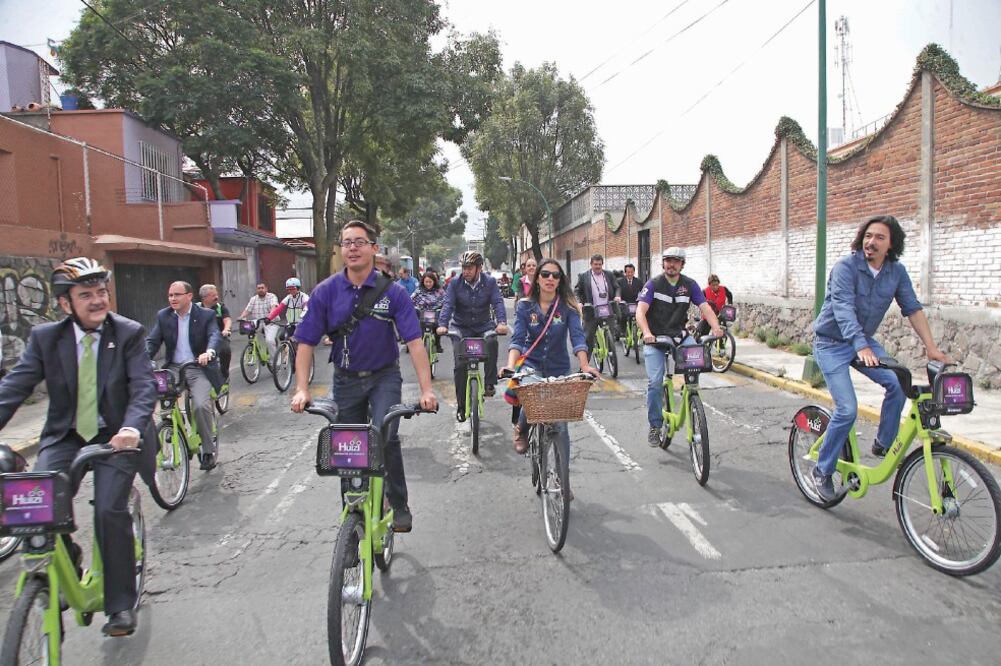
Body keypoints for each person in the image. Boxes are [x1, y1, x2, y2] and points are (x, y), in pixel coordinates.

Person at [0, 258, 157, 636]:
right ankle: (66, 554)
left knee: (108, 509)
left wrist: (131, 428)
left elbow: (142, 388)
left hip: (116, 438)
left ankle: (119, 604)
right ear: (65, 304)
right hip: (66, 436)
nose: (97, 300)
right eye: (85, 295)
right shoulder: (45, 338)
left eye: (101, 292)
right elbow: (15, 387)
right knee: (35, 503)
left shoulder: (129, 333)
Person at [290, 220, 437, 533]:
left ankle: (398, 503)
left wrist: (427, 391)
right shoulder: (325, 292)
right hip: (345, 380)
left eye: (359, 241)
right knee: (346, 445)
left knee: (384, 434)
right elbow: (305, 343)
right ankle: (353, 512)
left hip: (384, 377)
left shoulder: (393, 293)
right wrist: (301, 389)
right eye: (346, 243)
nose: (352, 248)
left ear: (373, 248)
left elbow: (414, 343)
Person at [810, 215, 949, 501]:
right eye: (868, 235)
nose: (871, 242)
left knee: (898, 384)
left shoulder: (896, 272)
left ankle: (884, 445)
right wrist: (861, 345)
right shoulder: (846, 267)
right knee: (847, 409)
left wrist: (932, 348)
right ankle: (821, 470)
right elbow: (843, 309)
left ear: (891, 244)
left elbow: (912, 308)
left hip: (863, 342)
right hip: (831, 343)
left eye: (879, 238)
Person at [505, 259, 598, 470]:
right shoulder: (525, 306)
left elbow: (577, 337)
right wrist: (511, 366)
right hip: (531, 364)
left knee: (561, 428)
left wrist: (584, 366)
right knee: (532, 397)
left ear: (560, 281)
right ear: (537, 277)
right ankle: (521, 428)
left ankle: (563, 479)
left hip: (560, 367)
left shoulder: (568, 307)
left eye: (555, 276)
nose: (550, 279)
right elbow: (517, 340)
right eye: (545, 274)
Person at [636, 247, 723, 447]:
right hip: (656, 339)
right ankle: (655, 425)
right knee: (655, 382)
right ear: (663, 263)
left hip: (678, 336)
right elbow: (640, 311)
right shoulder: (653, 284)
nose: (671, 265)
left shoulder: (689, 285)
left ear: (682, 264)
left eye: (676, 261)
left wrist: (716, 328)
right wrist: (647, 333)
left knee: (697, 358)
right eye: (668, 261)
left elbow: (705, 308)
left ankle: (691, 391)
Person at [146, 281, 223, 470]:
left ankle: (207, 450)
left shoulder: (206, 315)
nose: (173, 298)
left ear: (189, 296)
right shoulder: (163, 316)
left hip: (198, 367)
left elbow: (215, 335)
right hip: (173, 368)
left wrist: (209, 352)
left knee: (200, 406)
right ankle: (175, 433)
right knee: (156, 401)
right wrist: (141, 358)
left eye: (177, 295)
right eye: (170, 295)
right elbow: (152, 341)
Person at [437, 251, 508, 421]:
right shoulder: (455, 283)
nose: (466, 271)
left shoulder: (490, 282)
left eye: (469, 268)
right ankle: (461, 406)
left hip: (483, 325)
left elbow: (497, 302)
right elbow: (447, 304)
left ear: (479, 268)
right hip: (460, 327)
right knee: (460, 365)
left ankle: (490, 383)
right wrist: (442, 324)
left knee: (491, 340)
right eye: (464, 268)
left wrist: (502, 322)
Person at [574, 254, 620, 352]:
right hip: (591, 310)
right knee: (588, 339)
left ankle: (611, 358)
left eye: (599, 264)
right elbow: (577, 291)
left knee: (610, 336)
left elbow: (617, 287)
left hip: (607, 310)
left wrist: (617, 296)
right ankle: (584, 365)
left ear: (602, 264)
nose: (598, 266)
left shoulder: (609, 274)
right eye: (595, 264)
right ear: (591, 264)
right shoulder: (584, 276)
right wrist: (579, 302)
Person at [198, 284, 232, 384]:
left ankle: (224, 374)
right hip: (202, 338)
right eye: (213, 295)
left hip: (220, 337)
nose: (216, 297)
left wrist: (226, 329)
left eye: (216, 294)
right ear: (204, 298)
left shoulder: (220, 307)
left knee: (225, 351)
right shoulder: (197, 308)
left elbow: (227, 320)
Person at [239, 282, 280, 357]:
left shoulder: (271, 296)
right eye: (259, 288)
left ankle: (275, 360)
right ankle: (255, 351)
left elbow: (274, 307)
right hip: (258, 322)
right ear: (256, 290)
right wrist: (241, 317)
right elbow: (248, 310)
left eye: (262, 288)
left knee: (269, 341)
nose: (260, 290)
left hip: (271, 322)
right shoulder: (253, 299)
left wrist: (269, 317)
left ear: (266, 289)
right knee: (250, 332)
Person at [411, 270, 446, 353]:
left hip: (435, 313)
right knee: (420, 329)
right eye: (426, 282)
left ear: (434, 281)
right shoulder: (418, 290)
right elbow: (411, 299)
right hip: (422, 314)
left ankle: (437, 344)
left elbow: (446, 301)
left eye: (430, 282)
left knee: (437, 328)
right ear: (423, 282)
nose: (428, 284)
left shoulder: (440, 291)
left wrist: (442, 308)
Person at [697, 274, 733, 338]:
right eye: (713, 285)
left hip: (720, 315)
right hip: (708, 316)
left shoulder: (724, 289)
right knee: (703, 335)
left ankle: (720, 344)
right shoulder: (704, 292)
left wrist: (730, 304)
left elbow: (730, 295)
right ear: (709, 285)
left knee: (722, 335)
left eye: (717, 284)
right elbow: (700, 303)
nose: (715, 287)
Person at [615, 263, 644, 338]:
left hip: (635, 303)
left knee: (639, 316)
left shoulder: (638, 281)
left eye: (631, 272)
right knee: (623, 316)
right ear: (625, 273)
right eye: (628, 272)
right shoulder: (620, 282)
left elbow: (643, 292)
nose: (630, 274)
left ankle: (638, 331)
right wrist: (618, 298)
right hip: (624, 303)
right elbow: (617, 291)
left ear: (634, 272)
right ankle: (622, 330)